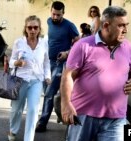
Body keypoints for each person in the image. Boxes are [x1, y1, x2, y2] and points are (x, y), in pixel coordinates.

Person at [60, 6, 131, 141]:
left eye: (126, 25)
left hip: (116, 118)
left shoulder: (127, 46)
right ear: (106, 25)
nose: (125, 30)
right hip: (84, 115)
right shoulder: (83, 45)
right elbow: (68, 76)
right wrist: (66, 103)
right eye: (121, 25)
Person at [35, 1, 80, 132]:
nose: (55, 17)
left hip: (60, 64)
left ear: (63, 14)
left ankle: (42, 123)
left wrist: (67, 53)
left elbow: (78, 44)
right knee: (47, 92)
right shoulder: (49, 22)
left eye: (58, 15)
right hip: (46, 62)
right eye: (54, 14)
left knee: (49, 93)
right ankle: (64, 116)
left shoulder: (69, 26)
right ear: (51, 12)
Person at [8, 15, 51, 141]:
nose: (32, 30)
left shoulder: (44, 43)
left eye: (35, 27)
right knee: (16, 110)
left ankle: (29, 138)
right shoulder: (19, 42)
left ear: (39, 29)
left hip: (36, 81)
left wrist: (47, 76)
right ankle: (13, 130)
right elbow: (11, 61)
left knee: (33, 110)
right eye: (30, 27)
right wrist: (17, 63)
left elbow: (46, 63)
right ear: (25, 29)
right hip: (20, 80)